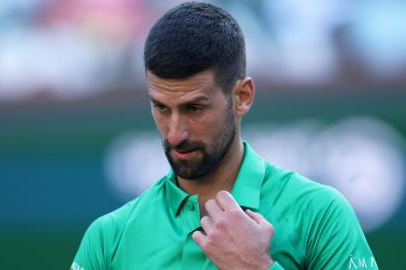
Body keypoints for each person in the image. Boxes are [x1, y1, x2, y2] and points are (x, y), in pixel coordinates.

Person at [71, 2, 378, 269]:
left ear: (242, 97)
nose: (175, 134)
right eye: (161, 108)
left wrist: (256, 267)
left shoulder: (320, 214)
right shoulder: (107, 238)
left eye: (195, 108)